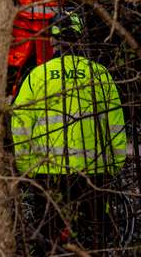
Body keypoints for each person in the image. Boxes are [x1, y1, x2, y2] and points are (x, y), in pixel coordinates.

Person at [11, 19, 127, 255]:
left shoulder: (38, 76)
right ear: (81, 37)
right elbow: (115, 125)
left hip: (48, 173)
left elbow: (20, 122)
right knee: (94, 239)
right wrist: (115, 165)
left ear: (53, 40)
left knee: (48, 238)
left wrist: (27, 166)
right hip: (94, 174)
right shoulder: (100, 75)